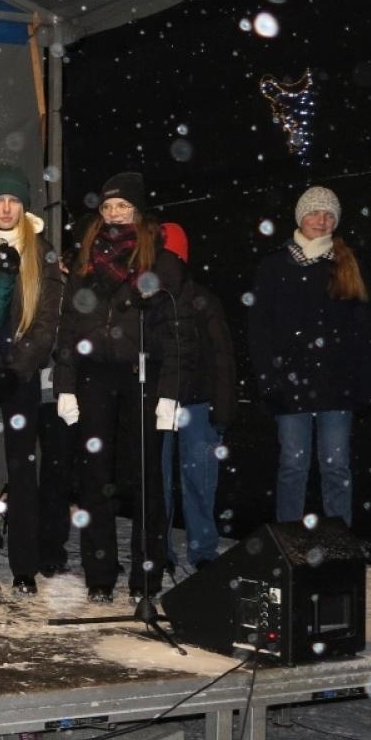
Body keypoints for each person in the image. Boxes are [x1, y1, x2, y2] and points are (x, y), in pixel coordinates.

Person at [53, 172, 191, 603]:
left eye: (123, 206)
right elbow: (70, 325)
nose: (114, 214)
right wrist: (66, 384)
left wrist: (170, 391)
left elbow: (177, 330)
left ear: (138, 210)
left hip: (141, 378)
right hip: (95, 377)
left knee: (145, 479)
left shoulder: (160, 260)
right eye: (109, 206)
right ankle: (99, 574)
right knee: (94, 479)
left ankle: (146, 578)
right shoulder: (84, 259)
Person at [247, 186, 371, 527]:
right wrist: (268, 380)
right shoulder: (274, 266)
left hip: (337, 387)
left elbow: (365, 331)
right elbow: (260, 330)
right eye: (314, 213)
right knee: (293, 465)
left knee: (336, 467)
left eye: (328, 214)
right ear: (299, 218)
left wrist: (366, 384)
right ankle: (289, 539)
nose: (321, 220)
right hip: (289, 386)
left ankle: (340, 543)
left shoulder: (347, 264)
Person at [0, 163, 64, 595]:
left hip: (22, 375)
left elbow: (46, 321)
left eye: (14, 201)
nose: (6, 208)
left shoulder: (42, 252)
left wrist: (19, 366)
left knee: (24, 469)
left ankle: (24, 565)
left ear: (24, 207)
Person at [157, 223, 236, 569]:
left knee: (199, 481)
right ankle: (161, 552)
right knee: (160, 483)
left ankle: (201, 549)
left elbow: (222, 357)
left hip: (198, 403)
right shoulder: (148, 303)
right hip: (160, 403)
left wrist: (222, 409)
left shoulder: (203, 301)